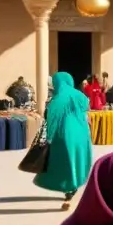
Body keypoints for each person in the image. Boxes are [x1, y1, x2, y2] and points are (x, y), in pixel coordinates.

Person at [33, 72, 92, 208]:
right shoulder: (79, 95)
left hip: (64, 135)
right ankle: (76, 183)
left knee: (64, 161)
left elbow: (50, 119)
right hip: (82, 134)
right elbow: (86, 110)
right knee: (78, 158)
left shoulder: (57, 99)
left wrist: (48, 137)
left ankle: (69, 187)